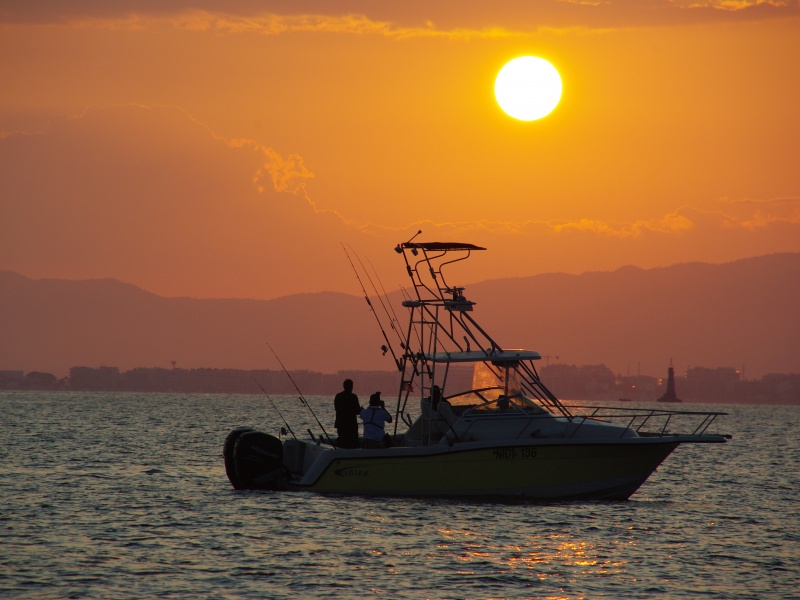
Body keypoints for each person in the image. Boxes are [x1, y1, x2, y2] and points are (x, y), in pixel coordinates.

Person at [334, 378, 362, 449]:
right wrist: (361, 409)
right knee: (353, 443)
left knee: (342, 443)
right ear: (352, 387)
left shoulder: (338, 396)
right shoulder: (353, 397)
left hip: (341, 424)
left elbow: (336, 408)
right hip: (351, 425)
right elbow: (357, 411)